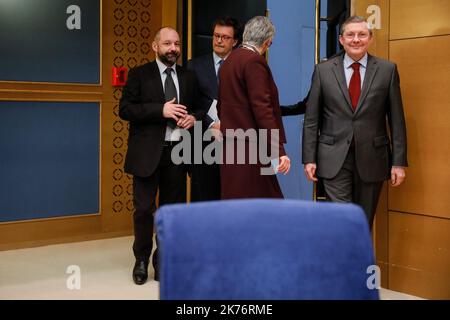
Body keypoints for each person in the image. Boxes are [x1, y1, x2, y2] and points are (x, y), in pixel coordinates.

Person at [302, 16, 408, 227]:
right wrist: (309, 158)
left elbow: (396, 119)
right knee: (341, 221)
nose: (356, 39)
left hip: (373, 158)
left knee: (362, 221)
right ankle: (342, 260)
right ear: (341, 39)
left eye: (362, 34)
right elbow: (312, 119)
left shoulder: (388, 70)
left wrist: (398, 162)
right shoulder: (323, 71)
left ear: (370, 38)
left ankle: (358, 261)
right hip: (333, 159)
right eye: (350, 34)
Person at [119, 27, 201, 284]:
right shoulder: (139, 74)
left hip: (177, 154)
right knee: (144, 210)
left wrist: (193, 118)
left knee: (170, 211)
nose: (173, 48)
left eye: (176, 43)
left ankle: (163, 260)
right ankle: (141, 260)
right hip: (146, 154)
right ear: (155, 46)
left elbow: (198, 108)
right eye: (167, 43)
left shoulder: (189, 77)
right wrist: (161, 110)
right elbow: (125, 109)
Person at [218, 16, 291, 199]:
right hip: (251, 150)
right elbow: (262, 109)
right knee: (265, 210)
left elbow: (221, 106)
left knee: (237, 207)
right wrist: (278, 151)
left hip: (230, 148)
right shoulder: (254, 61)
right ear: (268, 42)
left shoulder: (229, 60)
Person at [187, 16, 240, 202]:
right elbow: (190, 102)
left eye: (225, 37)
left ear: (235, 42)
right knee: (204, 197)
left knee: (232, 197)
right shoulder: (194, 65)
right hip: (203, 140)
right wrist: (212, 124)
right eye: (216, 36)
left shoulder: (243, 66)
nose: (219, 40)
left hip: (236, 140)